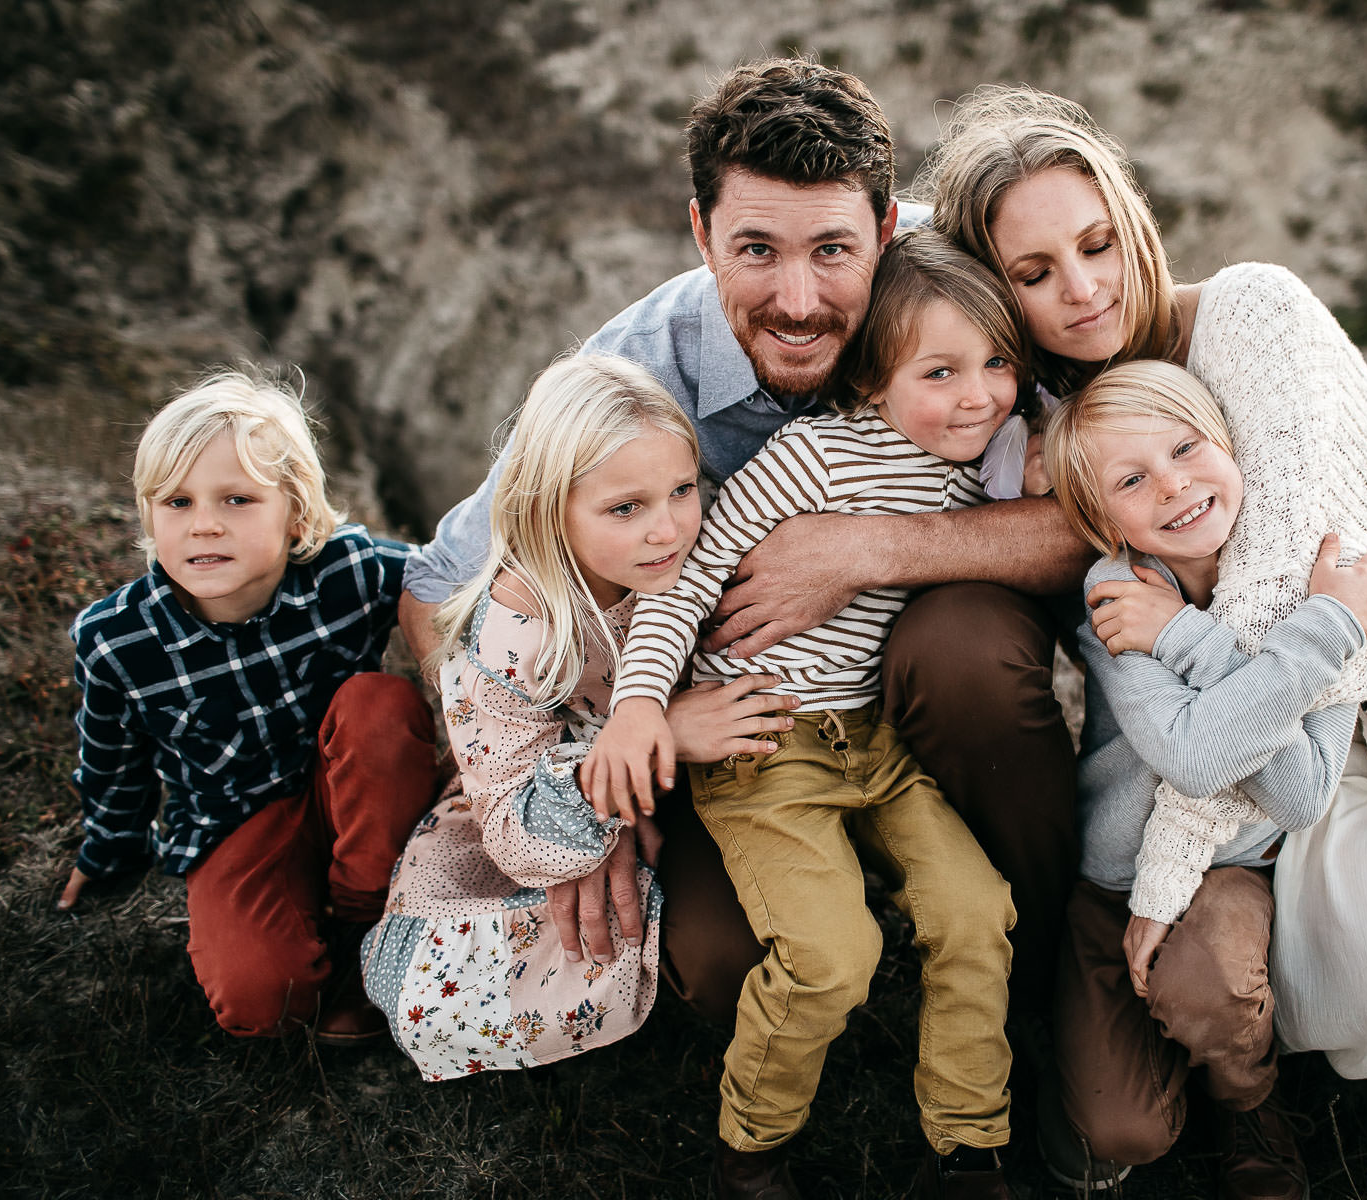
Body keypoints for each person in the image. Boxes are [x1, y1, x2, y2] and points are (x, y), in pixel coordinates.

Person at [924, 86, 1367, 1190]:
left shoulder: (1251, 314)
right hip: (1223, 770)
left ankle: (1284, 1032)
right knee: (1109, 1137)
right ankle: (1185, 1027)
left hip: (1354, 726)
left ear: (1134, 220)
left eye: (1097, 243)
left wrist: (1167, 875)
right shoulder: (1045, 438)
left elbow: (1275, 614)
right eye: (1033, 273)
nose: (1081, 289)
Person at [398, 59, 1089, 1033]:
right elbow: (437, 588)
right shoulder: (636, 368)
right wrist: (599, 780)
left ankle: (1057, 963)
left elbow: (1103, 515)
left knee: (965, 646)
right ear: (701, 232)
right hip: (741, 725)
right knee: (722, 963)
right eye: (756, 249)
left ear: (889, 229)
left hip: (927, 667)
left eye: (834, 251)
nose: (798, 300)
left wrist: (866, 551)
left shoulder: (964, 289)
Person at [585, 230, 1022, 1200]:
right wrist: (641, 704)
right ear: (871, 381)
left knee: (974, 910)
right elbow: (685, 578)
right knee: (833, 956)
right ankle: (751, 1148)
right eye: (940, 371)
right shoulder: (812, 457)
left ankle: (968, 1146)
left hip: (876, 743)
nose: (978, 395)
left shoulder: (979, 468)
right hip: (762, 743)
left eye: (998, 362)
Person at [1037, 360, 1367, 1197]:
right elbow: (1192, 755)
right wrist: (1309, 644)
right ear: (1103, 520)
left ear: (1229, 443)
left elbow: (1300, 794)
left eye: (1185, 449)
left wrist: (1194, 636)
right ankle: (1148, 1049)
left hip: (1233, 865)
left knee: (1207, 982)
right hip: (1114, 876)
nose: (1173, 486)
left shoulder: (1320, 584)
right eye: (1131, 480)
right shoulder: (1120, 589)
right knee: (1118, 1132)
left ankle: (1246, 1096)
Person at [363, 354, 766, 1080]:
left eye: (682, 490)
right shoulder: (515, 629)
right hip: (550, 808)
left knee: (748, 934)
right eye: (625, 508)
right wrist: (658, 739)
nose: (668, 530)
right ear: (549, 508)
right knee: (446, 988)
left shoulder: (705, 551)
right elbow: (511, 822)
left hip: (699, 793)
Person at [60, 366, 439, 1040]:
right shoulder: (117, 640)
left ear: (296, 514)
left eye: (237, 500)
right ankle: (305, 941)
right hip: (235, 823)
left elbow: (448, 575)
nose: (205, 525)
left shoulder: (348, 571)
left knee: (378, 704)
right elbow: (113, 762)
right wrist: (108, 850)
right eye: (177, 502)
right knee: (263, 1003)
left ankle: (368, 916)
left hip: (352, 792)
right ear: (149, 514)